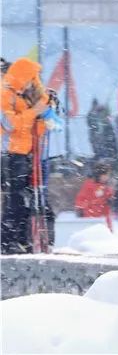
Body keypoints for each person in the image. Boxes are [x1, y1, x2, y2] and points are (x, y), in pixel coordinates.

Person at [0, 58, 57, 254]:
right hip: (9, 154)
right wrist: (35, 112)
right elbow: (10, 124)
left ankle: (24, 240)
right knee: (15, 199)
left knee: (28, 198)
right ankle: (8, 242)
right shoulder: (5, 95)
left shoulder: (25, 96)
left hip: (28, 154)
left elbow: (40, 126)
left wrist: (46, 108)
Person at [74, 162, 115, 230]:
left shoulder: (105, 186)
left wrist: (109, 199)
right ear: (98, 175)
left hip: (103, 217)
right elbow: (80, 200)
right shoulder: (89, 185)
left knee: (105, 235)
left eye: (108, 175)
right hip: (91, 217)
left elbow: (109, 195)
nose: (107, 177)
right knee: (93, 234)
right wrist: (81, 208)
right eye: (105, 175)